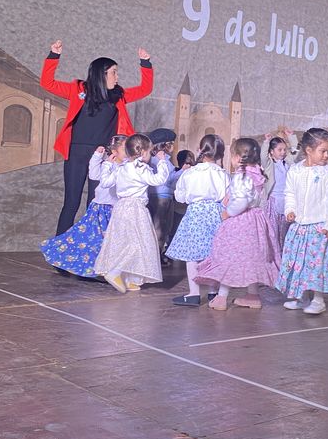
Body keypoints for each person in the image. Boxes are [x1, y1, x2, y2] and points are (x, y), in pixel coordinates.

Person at [40, 40, 154, 235]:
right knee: (71, 202)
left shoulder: (118, 95)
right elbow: (47, 83)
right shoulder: (78, 90)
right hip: (76, 153)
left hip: (103, 156)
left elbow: (145, 89)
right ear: (102, 73)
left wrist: (146, 63)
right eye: (114, 72)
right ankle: (61, 247)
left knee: (95, 203)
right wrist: (54, 55)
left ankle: (91, 247)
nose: (117, 77)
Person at [197, 138, 280, 310]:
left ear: (237, 157)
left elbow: (241, 201)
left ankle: (221, 297)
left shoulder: (242, 176)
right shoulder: (256, 173)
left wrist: (228, 212)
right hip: (255, 221)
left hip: (241, 222)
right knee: (251, 260)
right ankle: (253, 296)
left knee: (230, 257)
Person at [276, 128, 328, 315]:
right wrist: (290, 210)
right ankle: (302, 298)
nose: (326, 155)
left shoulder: (327, 172)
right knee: (300, 264)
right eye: (322, 151)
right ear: (308, 150)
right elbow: (289, 193)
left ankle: (318, 300)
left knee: (317, 265)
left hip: (319, 227)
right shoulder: (295, 170)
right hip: (300, 227)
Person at [40, 135, 126, 277]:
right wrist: (97, 157)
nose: (128, 151)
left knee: (109, 242)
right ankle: (80, 265)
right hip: (100, 209)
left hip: (116, 209)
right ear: (115, 151)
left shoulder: (127, 167)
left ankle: (105, 269)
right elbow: (94, 176)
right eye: (125, 148)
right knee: (91, 240)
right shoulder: (107, 165)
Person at [94, 134, 171, 293]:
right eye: (149, 152)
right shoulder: (141, 169)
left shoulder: (121, 168)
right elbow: (158, 180)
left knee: (126, 242)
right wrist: (162, 161)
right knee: (138, 244)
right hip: (136, 209)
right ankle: (115, 272)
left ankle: (129, 279)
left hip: (120, 208)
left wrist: (108, 164)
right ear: (142, 152)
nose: (150, 156)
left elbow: (105, 182)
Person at [167, 134, 230, 305]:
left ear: (200, 149)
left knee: (192, 255)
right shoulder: (222, 174)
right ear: (220, 154)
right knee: (213, 254)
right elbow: (227, 197)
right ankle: (212, 292)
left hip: (195, 214)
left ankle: (194, 293)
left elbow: (180, 196)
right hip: (216, 214)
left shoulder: (190, 173)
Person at [144, 127, 177, 265]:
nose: (173, 147)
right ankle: (155, 257)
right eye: (171, 144)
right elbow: (167, 180)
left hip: (162, 196)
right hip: (161, 197)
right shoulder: (160, 161)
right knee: (160, 227)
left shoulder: (158, 160)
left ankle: (156, 255)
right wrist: (183, 173)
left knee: (160, 226)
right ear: (164, 145)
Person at [261, 135, 293, 251]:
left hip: (286, 202)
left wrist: (291, 137)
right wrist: (266, 141)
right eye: (279, 150)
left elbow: (294, 154)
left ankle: (284, 254)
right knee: (273, 232)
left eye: (284, 149)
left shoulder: (287, 164)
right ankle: (274, 255)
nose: (283, 152)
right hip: (273, 202)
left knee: (285, 232)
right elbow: (263, 156)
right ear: (271, 151)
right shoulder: (269, 164)